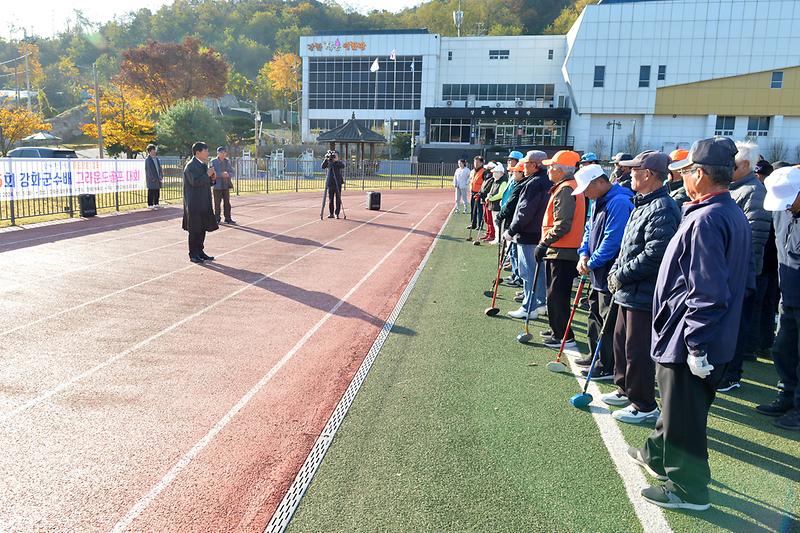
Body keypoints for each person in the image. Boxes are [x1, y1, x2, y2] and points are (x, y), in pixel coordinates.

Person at [629, 136, 752, 511]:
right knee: (675, 408)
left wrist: (696, 344)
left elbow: (708, 291)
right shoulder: (724, 211)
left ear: (700, 174)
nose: (683, 179)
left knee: (686, 417)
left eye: (687, 172)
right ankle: (655, 453)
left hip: (690, 340)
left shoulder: (708, 218)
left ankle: (689, 490)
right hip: (702, 335)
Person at [602, 151, 681, 424]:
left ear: (647, 174)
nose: (630, 174)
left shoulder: (663, 207)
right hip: (629, 290)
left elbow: (655, 254)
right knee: (621, 342)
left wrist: (620, 274)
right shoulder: (643, 203)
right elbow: (628, 248)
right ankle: (625, 389)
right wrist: (616, 271)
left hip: (644, 294)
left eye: (635, 170)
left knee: (637, 350)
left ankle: (644, 404)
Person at [718, 141, 771, 392]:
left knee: (736, 327)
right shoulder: (734, 188)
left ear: (746, 165)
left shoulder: (753, 191)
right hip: (728, 272)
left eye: (733, 164)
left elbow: (754, 238)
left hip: (741, 273)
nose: (728, 169)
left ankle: (732, 375)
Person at [573, 163, 634, 379]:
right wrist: (583, 254)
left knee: (608, 321)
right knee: (594, 314)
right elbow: (589, 230)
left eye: (587, 189)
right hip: (596, 270)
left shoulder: (618, 202)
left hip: (610, 272)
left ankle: (606, 364)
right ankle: (594, 355)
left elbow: (613, 240)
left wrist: (592, 261)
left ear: (600, 181)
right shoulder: (598, 200)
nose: (585, 194)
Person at [758, 165, 800, 430]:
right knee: (783, 348)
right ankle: (787, 395)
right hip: (789, 294)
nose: (786, 207)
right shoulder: (781, 213)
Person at [535, 150, 585, 348]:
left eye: (552, 166)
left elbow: (563, 223)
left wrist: (544, 243)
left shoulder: (566, 189)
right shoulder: (567, 186)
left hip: (562, 250)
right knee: (555, 294)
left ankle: (564, 335)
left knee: (557, 295)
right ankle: (557, 329)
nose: (548, 169)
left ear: (561, 170)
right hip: (561, 249)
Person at [504, 151, 551, 319]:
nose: (523, 166)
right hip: (539, 234)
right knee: (538, 271)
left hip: (529, 234)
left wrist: (511, 231)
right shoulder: (547, 181)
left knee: (529, 273)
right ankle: (540, 304)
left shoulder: (534, 183)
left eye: (526, 163)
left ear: (535, 165)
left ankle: (529, 307)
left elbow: (525, 212)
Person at [497, 158, 533, 289]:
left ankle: (518, 278)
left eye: (515, 172)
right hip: (512, 221)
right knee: (513, 252)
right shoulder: (516, 183)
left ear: (522, 173)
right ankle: (515, 275)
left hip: (515, 223)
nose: (512, 174)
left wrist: (501, 215)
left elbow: (512, 204)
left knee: (517, 254)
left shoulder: (522, 185)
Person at [182, 142, 219, 264]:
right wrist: (207, 175)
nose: (208, 153)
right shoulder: (190, 166)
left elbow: (206, 182)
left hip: (204, 201)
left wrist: (212, 178)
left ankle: (200, 251)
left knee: (202, 228)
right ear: (198, 152)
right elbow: (194, 182)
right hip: (194, 203)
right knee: (194, 229)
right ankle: (193, 254)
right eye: (206, 150)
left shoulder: (203, 165)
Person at [210, 146, 236, 225]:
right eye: (221, 152)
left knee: (227, 203)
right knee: (217, 203)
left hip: (225, 185)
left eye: (224, 152)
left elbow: (232, 172)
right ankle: (217, 218)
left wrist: (228, 174)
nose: (223, 154)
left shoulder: (227, 161)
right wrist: (221, 174)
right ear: (218, 153)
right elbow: (211, 173)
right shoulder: (213, 161)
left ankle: (228, 218)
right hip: (217, 186)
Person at [485, 163, 508, 243]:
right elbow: (491, 191)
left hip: (498, 206)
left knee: (499, 224)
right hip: (493, 205)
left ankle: (499, 239)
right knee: (495, 223)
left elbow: (500, 194)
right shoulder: (495, 181)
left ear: (500, 173)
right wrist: (488, 196)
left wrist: (491, 198)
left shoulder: (503, 182)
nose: (493, 173)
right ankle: (497, 238)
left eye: (495, 172)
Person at [321, 150, 345, 219]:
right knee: (331, 199)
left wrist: (336, 161)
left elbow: (343, 166)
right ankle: (331, 213)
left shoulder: (338, 162)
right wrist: (326, 159)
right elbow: (323, 166)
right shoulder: (328, 161)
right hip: (330, 182)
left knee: (338, 198)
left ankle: (337, 213)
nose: (333, 157)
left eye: (335, 155)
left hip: (338, 181)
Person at [479, 162, 498, 241]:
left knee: (489, 218)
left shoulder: (492, 178)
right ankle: (488, 232)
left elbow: (487, 189)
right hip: (484, 199)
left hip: (488, 200)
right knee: (486, 218)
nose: (487, 169)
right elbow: (483, 187)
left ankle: (491, 234)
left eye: (489, 168)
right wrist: (480, 194)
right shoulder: (487, 176)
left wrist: (481, 194)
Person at [468, 156, 486, 230]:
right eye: (475, 162)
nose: (476, 164)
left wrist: (480, 193)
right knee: (473, 209)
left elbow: (485, 183)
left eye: (478, 162)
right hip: (472, 192)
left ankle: (480, 225)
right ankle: (473, 224)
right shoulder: (472, 171)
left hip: (479, 193)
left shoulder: (484, 171)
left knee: (479, 210)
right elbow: (471, 181)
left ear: (481, 163)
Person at [145, 144, 163, 209]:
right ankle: (150, 204)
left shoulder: (157, 159)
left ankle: (156, 203)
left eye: (154, 150)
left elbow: (159, 168)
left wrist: (161, 176)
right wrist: (152, 178)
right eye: (153, 151)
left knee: (157, 191)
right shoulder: (148, 159)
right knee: (151, 191)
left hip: (158, 177)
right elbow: (148, 170)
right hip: (151, 179)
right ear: (149, 152)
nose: (154, 152)